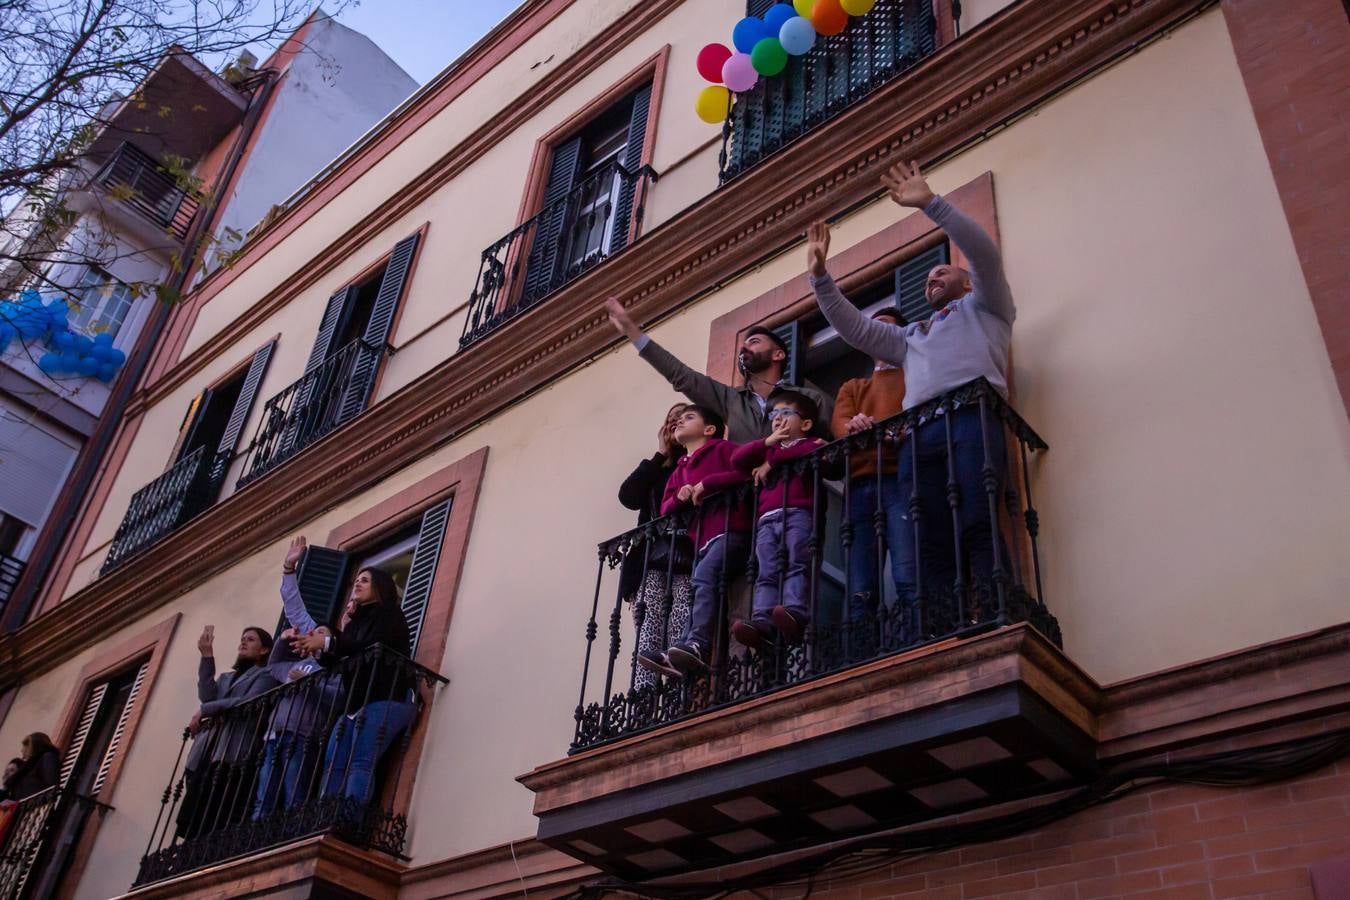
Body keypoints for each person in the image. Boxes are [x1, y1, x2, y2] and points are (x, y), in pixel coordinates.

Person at [807, 160, 1015, 615]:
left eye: (942, 273)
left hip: (971, 417)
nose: (931, 278)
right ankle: (940, 623)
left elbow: (984, 255)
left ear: (965, 283)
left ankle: (996, 607)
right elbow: (854, 329)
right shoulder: (911, 338)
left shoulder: (987, 306)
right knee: (928, 534)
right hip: (920, 435)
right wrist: (821, 279)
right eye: (927, 278)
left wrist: (931, 204)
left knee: (978, 516)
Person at [604, 297, 833, 444]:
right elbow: (681, 376)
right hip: (747, 511)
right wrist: (633, 333)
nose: (744, 346)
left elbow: (832, 454)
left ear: (778, 354)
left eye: (754, 342)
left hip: (797, 507)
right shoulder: (730, 399)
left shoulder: (809, 399)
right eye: (743, 344)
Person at [290, 560, 415, 809]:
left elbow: (372, 645)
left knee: (360, 762)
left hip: (388, 698)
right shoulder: (354, 623)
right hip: (356, 704)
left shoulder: (390, 614)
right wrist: (316, 649)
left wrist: (327, 644)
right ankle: (325, 817)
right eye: (356, 579)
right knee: (333, 764)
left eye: (365, 580)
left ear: (380, 587)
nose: (357, 582)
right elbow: (342, 656)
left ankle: (348, 820)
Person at [636, 406, 749, 677]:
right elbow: (665, 508)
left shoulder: (722, 449)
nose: (679, 422)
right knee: (700, 585)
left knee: (704, 578)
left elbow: (746, 471)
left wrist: (707, 484)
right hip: (702, 539)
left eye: (688, 417)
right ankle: (686, 647)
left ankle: (696, 643)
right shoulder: (679, 470)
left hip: (730, 529)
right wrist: (680, 497)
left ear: (709, 429)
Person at [730, 391, 827, 649]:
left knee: (797, 561)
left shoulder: (811, 443)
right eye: (773, 415)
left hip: (798, 514)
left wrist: (771, 461)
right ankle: (763, 620)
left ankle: (794, 609)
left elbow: (814, 449)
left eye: (785, 413)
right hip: (766, 521)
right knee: (767, 571)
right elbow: (736, 460)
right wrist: (767, 444)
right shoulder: (767, 452)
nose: (777, 419)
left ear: (805, 424)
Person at [831, 308, 909, 625]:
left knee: (908, 569)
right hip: (859, 485)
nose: (876, 330)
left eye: (885, 325)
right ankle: (862, 649)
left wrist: (878, 431)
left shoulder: (914, 375)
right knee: (861, 582)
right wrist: (854, 425)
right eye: (871, 326)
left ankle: (917, 638)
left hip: (902, 481)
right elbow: (839, 424)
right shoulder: (853, 387)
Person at [618, 403, 696, 690]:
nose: (676, 423)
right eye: (671, 419)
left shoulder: (697, 462)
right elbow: (628, 496)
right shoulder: (657, 468)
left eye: (684, 417)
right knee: (648, 626)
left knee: (680, 622)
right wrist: (661, 453)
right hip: (652, 558)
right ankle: (642, 697)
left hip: (687, 554)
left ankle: (678, 696)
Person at [176, 626, 277, 839]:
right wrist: (207, 656)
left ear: (264, 650)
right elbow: (207, 696)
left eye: (250, 639)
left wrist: (206, 710)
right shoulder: (224, 678)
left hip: (232, 753)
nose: (243, 642)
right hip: (206, 752)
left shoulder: (266, 674)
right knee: (193, 815)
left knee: (216, 814)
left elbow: (248, 701)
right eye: (242, 639)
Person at [3, 734, 59, 800]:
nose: (22, 750)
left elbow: (51, 785)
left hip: (38, 807)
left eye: (25, 746)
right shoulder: (27, 768)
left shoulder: (47, 757)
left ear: (32, 745)